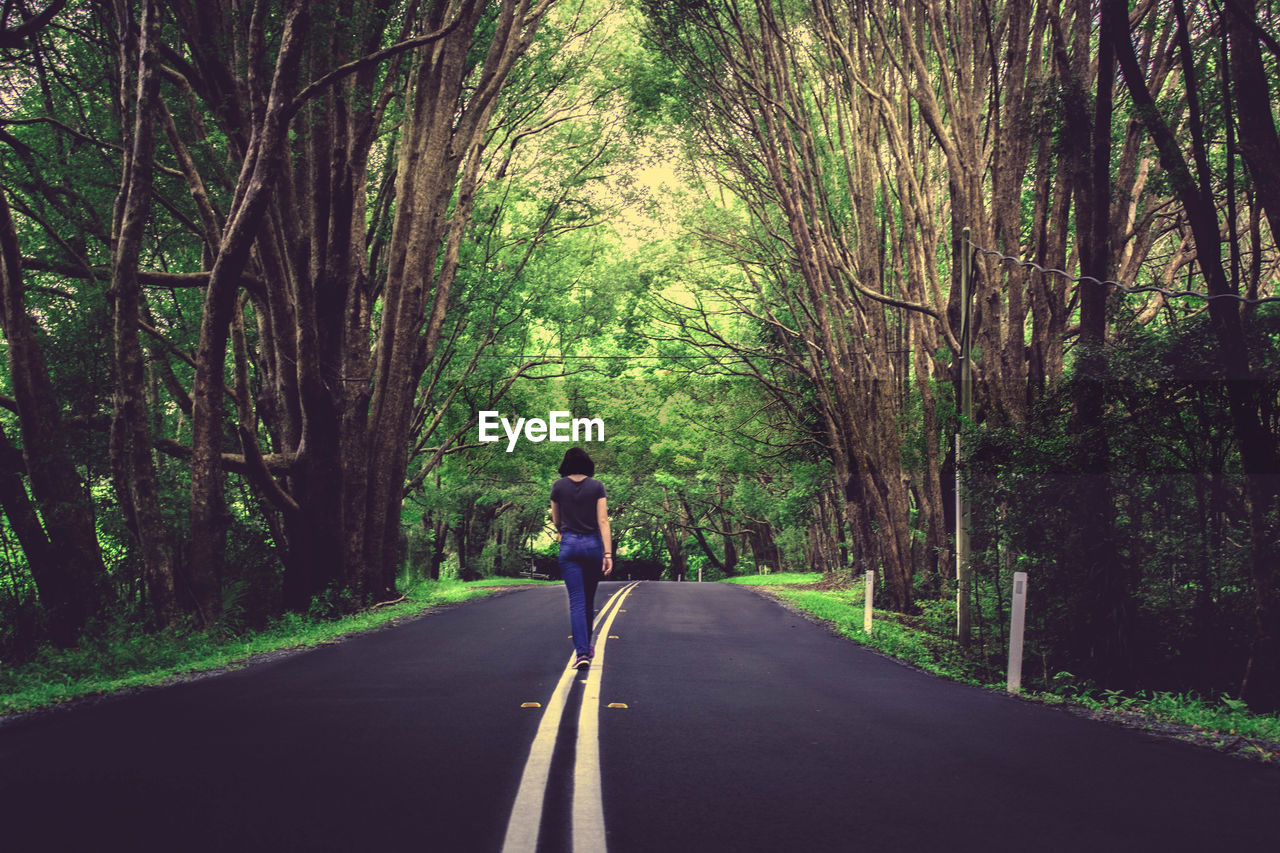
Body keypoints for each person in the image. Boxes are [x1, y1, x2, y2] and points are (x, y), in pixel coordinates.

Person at [550, 446, 613, 669]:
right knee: (588, 600)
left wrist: (566, 529)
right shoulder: (597, 486)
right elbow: (603, 521)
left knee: (577, 600)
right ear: (587, 464)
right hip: (593, 546)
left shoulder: (558, 486)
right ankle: (586, 648)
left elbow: (555, 519)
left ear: (565, 465)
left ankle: (582, 653)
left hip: (569, 546)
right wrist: (608, 553)